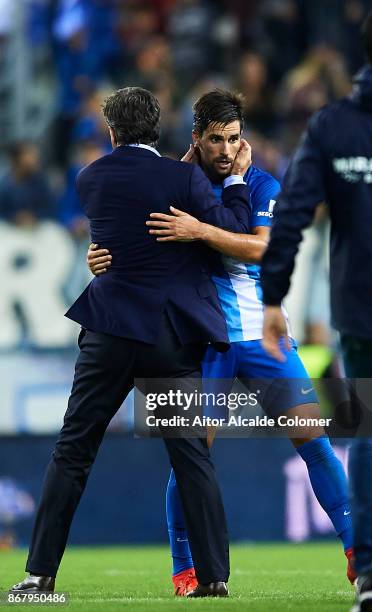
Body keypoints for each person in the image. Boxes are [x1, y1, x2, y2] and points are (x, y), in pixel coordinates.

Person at [88, 89, 354, 597]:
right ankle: (185, 569)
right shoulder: (175, 184)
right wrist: (98, 257)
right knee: (191, 456)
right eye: (215, 139)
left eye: (234, 138)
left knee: (314, 443)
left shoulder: (259, 184)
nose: (226, 149)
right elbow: (128, 236)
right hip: (203, 341)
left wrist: (199, 231)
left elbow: (263, 248)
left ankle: (356, 555)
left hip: (260, 339)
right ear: (197, 138)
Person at [10, 86, 253, 598]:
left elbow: (112, 242)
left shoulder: (90, 178)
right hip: (168, 334)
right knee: (190, 456)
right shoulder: (183, 177)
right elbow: (231, 228)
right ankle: (213, 578)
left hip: (110, 332)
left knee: (74, 449)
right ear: (158, 127)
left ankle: (39, 575)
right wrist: (232, 180)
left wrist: (99, 257)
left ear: (112, 133)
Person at [259, 9, 372, 612]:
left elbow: (290, 216)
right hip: (361, 310)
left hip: (362, 308)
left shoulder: (332, 127)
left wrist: (272, 297)